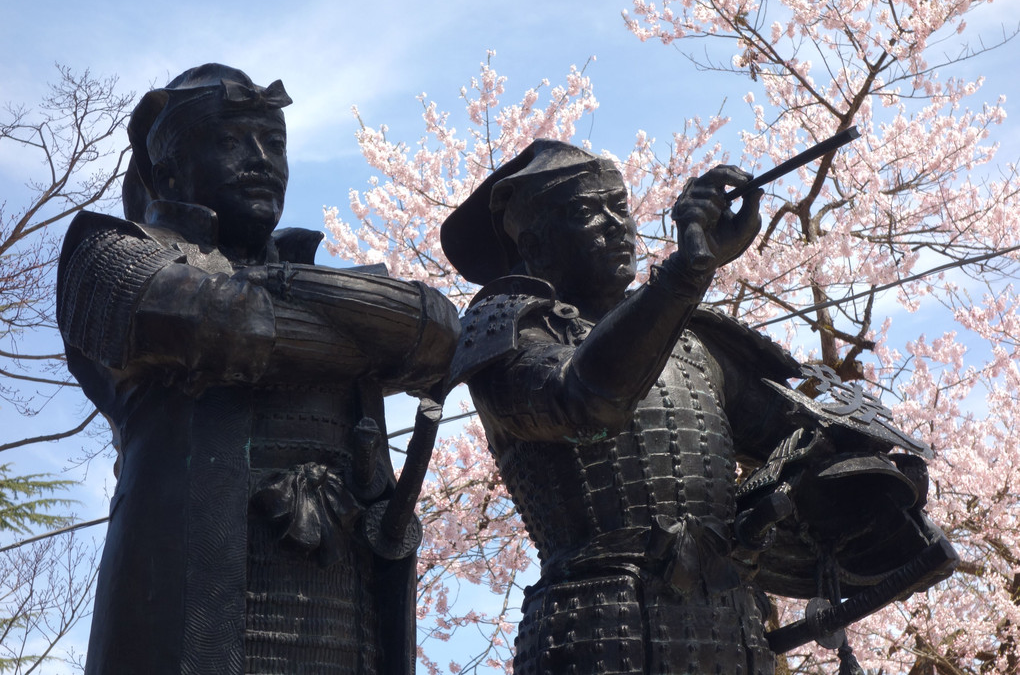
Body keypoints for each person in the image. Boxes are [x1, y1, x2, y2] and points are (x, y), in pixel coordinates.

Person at [440, 139, 955, 674]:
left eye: (621, 208)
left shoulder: (690, 342)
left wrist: (864, 482)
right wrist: (688, 272)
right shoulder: (506, 331)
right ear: (537, 243)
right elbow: (587, 400)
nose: (618, 225)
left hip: (729, 627)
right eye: (588, 212)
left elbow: (796, 435)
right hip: (594, 627)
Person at [57, 64, 459, 675]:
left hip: (342, 604)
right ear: (167, 169)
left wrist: (285, 286)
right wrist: (368, 329)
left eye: (275, 144)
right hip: (193, 594)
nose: (260, 159)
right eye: (229, 142)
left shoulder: (315, 269)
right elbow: (221, 325)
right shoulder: (110, 252)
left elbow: (437, 335)